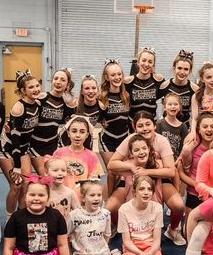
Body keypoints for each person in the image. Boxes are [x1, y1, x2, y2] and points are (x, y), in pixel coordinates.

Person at [108, 111, 185, 244]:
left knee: (178, 206)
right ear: (134, 127)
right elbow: (111, 164)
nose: (145, 128)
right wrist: (132, 168)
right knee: (110, 208)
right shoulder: (131, 140)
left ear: (154, 125)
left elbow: (171, 171)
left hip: (157, 176)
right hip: (131, 177)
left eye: (148, 124)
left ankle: (172, 229)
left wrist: (146, 172)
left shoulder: (161, 141)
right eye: (140, 125)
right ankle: (115, 224)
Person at [2, 176, 70, 255]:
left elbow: (62, 245)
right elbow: (8, 248)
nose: (36, 198)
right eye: (32, 195)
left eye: (41, 195)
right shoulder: (17, 217)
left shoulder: (56, 216)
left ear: (48, 198)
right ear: (25, 196)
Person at [0, 70, 41, 214]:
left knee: (26, 184)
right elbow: (15, 139)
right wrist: (16, 166)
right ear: (23, 90)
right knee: (16, 185)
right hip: (8, 148)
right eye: (31, 87)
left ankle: (21, 216)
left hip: (23, 148)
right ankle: (10, 218)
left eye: (37, 86)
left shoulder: (38, 104)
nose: (35, 89)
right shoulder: (18, 108)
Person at [110, 176, 164, 255]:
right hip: (133, 246)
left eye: (149, 189)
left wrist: (150, 253)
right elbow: (126, 241)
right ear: (134, 192)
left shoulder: (157, 208)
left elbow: (157, 240)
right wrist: (140, 253)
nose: (146, 192)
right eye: (141, 189)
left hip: (150, 245)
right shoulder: (124, 209)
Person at [67, 180, 112, 255]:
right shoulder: (74, 215)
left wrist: (100, 249)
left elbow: (107, 235)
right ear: (83, 198)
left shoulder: (105, 214)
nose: (96, 198)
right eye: (92, 195)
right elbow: (67, 237)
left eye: (99, 195)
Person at [30, 68, 76, 174]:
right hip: (35, 145)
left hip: (52, 145)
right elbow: (25, 109)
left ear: (67, 85)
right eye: (56, 78)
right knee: (46, 176)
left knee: (53, 177)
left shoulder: (66, 104)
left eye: (62, 80)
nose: (58, 82)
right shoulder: (41, 98)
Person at [178, 113, 213, 231]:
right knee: (189, 231)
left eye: (212, 126)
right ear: (198, 130)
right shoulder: (191, 147)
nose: (209, 129)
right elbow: (180, 173)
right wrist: (200, 187)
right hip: (194, 194)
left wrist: (208, 190)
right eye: (205, 127)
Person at [98, 59, 131, 187]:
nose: (117, 77)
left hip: (124, 138)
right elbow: (95, 114)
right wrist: (101, 120)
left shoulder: (127, 96)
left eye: (119, 74)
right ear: (107, 77)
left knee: (122, 174)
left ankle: (116, 200)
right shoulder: (102, 97)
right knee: (112, 172)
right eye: (113, 75)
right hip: (107, 139)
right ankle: (108, 201)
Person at [54, 115, 103, 192]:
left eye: (82, 132)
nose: (77, 135)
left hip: (82, 199)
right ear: (68, 133)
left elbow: (94, 183)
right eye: (74, 131)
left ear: (87, 135)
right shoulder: (59, 153)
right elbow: (51, 178)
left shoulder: (91, 156)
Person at [159, 49, 198, 127]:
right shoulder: (164, 86)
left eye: (186, 69)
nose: (182, 72)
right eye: (179, 68)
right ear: (174, 68)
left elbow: (196, 114)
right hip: (166, 126)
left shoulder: (195, 89)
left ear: (190, 71)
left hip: (185, 127)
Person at [125, 46, 164, 121]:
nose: (146, 64)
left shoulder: (158, 81)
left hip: (152, 124)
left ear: (153, 64)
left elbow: (170, 94)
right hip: (133, 125)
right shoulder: (128, 82)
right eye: (143, 60)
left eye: (150, 62)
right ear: (138, 62)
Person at [190, 62, 213, 127]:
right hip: (200, 131)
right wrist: (193, 132)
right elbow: (194, 119)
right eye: (209, 77)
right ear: (202, 79)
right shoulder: (196, 96)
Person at [157, 93, 189, 158]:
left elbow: (182, 148)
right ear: (164, 107)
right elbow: (156, 145)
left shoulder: (183, 127)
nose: (173, 106)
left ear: (180, 107)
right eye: (170, 104)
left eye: (175, 104)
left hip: (176, 159)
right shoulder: (159, 124)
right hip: (161, 159)